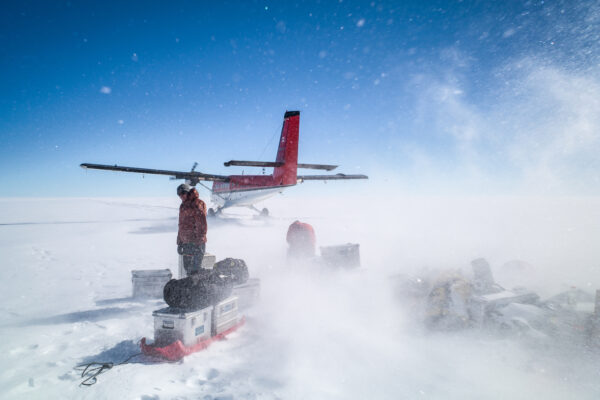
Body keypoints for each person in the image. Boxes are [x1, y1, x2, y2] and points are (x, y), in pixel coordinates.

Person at [177, 183, 208, 276]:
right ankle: (191, 288)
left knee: (195, 270)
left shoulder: (197, 203)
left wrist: (199, 242)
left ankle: (201, 288)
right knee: (187, 268)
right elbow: (181, 225)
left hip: (196, 242)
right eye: (179, 194)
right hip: (186, 243)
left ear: (188, 192)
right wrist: (180, 242)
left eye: (183, 193)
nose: (181, 196)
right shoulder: (183, 206)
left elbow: (201, 224)